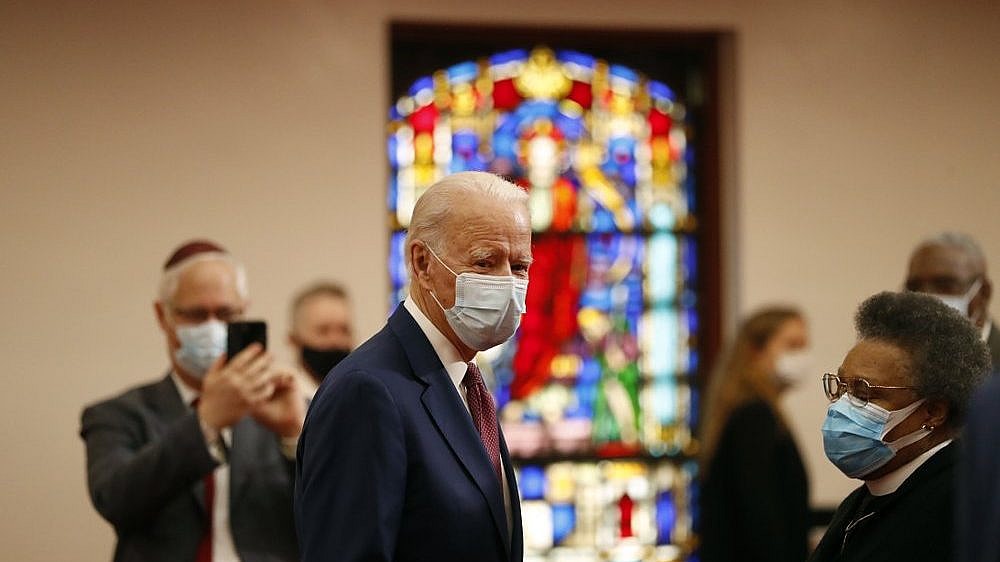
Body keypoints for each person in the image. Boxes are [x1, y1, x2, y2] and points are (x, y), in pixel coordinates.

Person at [295, 171, 529, 562]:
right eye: (485, 262)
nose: (507, 284)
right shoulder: (367, 392)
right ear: (422, 263)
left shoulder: (467, 383)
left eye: (519, 266)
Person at [80, 240, 303, 562]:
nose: (212, 327)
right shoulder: (118, 414)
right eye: (196, 315)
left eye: (226, 313)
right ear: (162, 315)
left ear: (245, 311)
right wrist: (205, 424)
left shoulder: (282, 407)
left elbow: (332, 512)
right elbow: (115, 501)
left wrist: (295, 437)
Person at [809, 291, 990, 561]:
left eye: (863, 392)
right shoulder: (863, 498)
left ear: (933, 412)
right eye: (842, 387)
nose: (841, 405)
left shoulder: (963, 503)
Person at [698, 306, 811, 562]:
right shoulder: (753, 416)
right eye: (792, 345)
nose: (802, 356)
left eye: (804, 346)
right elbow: (758, 515)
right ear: (755, 350)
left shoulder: (758, 410)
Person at [905, 231, 1000, 369]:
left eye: (945, 285)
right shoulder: (901, 362)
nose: (924, 296)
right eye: (914, 287)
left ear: (984, 292)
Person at [287, 280, 354, 397]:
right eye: (323, 331)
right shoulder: (279, 399)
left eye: (344, 330)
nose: (335, 341)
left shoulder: (361, 395)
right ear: (294, 340)